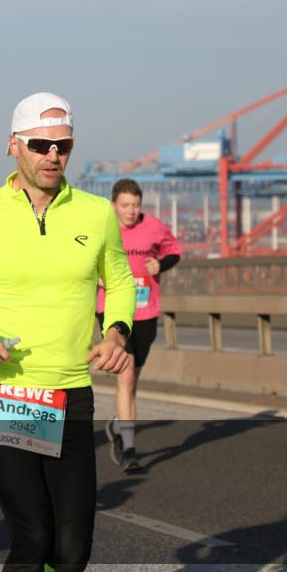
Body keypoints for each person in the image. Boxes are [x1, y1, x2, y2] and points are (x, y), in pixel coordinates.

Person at [0, 92, 135, 572]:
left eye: (62, 145)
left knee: (71, 553)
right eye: (40, 145)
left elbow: (121, 281)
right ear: (13, 146)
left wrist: (117, 331)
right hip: (4, 392)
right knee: (32, 537)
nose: (52, 156)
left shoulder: (95, 213)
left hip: (69, 393)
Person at [97, 178, 182, 473]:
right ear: (114, 206)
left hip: (146, 311)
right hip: (111, 312)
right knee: (127, 374)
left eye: (135, 205)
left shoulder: (155, 227)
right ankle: (129, 449)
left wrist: (161, 265)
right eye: (125, 206)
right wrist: (95, 275)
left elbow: (174, 251)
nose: (131, 211)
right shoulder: (103, 228)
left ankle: (120, 424)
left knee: (133, 378)